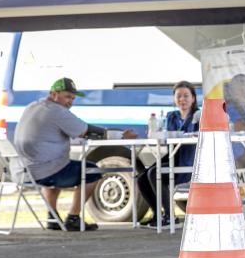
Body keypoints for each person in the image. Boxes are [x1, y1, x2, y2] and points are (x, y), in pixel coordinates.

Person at [13, 77, 138, 231]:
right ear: (54, 94)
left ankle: (52, 217)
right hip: (44, 171)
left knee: (60, 162)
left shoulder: (33, 106)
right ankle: (73, 217)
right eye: (67, 96)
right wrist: (121, 136)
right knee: (92, 171)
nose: (70, 101)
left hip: (23, 171)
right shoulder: (57, 111)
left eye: (72, 98)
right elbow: (88, 131)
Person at [135, 81, 199, 227]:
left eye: (186, 96)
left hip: (188, 159)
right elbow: (168, 138)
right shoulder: (172, 116)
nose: (182, 99)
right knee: (142, 177)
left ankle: (171, 216)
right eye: (179, 96)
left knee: (154, 173)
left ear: (193, 98)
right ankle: (158, 214)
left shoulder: (198, 116)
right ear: (174, 99)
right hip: (173, 155)